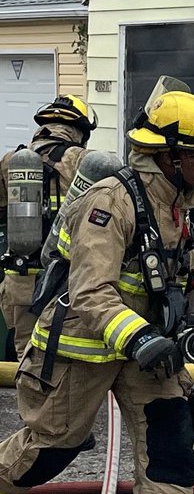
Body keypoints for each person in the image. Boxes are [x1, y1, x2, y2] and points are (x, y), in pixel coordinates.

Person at [0, 89, 194, 494]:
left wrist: (184, 308)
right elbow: (89, 291)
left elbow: (168, 273)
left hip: (144, 350)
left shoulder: (178, 201)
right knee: (51, 450)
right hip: (80, 348)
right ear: (167, 155)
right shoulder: (110, 202)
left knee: (172, 440)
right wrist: (139, 335)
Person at [0, 95, 96, 359]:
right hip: (66, 280)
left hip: (20, 281)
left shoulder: (12, 160)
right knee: (62, 361)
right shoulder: (83, 162)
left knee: (25, 357)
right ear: (81, 131)